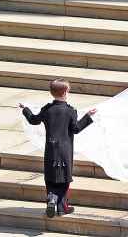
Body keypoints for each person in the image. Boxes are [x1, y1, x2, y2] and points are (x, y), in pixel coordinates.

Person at [19, 79, 96, 217]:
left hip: (50, 149)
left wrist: (25, 109)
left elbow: (33, 120)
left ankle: (51, 198)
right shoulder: (70, 111)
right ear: (66, 92)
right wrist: (88, 116)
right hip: (65, 151)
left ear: (51, 93)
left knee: (50, 176)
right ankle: (62, 207)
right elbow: (76, 129)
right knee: (65, 178)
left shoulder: (47, 109)